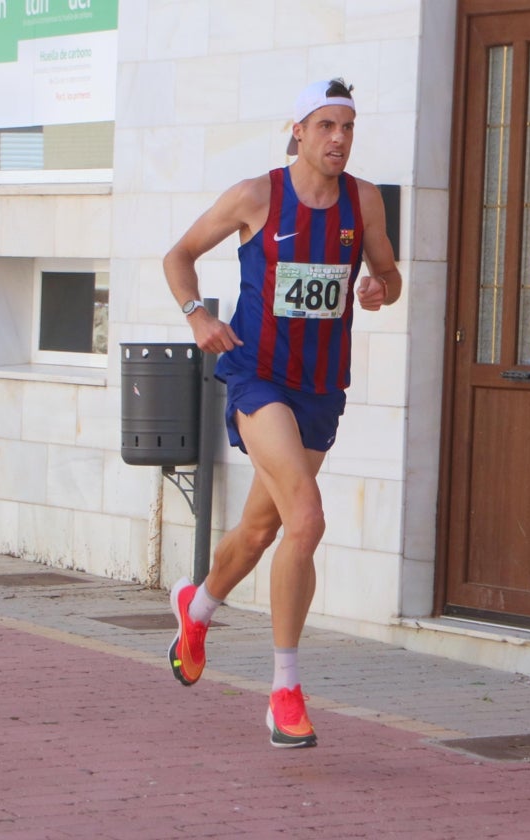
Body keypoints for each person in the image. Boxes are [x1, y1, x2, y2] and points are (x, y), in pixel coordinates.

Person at [161, 78, 401, 748]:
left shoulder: (365, 200)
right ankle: (285, 692)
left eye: (348, 127)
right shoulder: (256, 196)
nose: (339, 140)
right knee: (307, 517)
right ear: (297, 130)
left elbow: (387, 274)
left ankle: (197, 605)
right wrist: (197, 314)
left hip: (321, 388)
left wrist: (381, 286)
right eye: (326, 126)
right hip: (257, 376)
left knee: (262, 530)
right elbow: (177, 256)